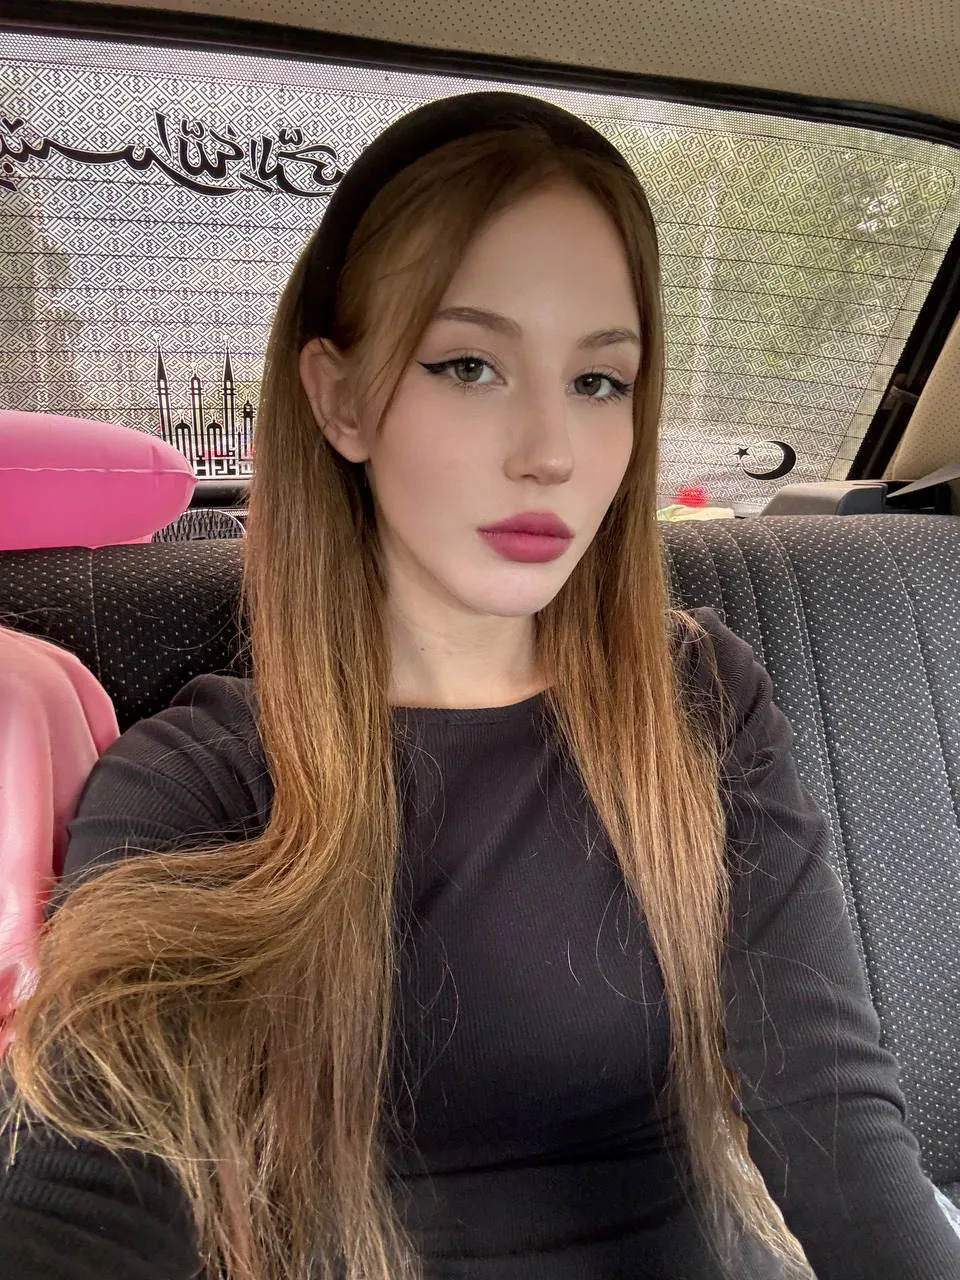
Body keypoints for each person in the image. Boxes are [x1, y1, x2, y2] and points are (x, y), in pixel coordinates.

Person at [1, 92, 958, 1280]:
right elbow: (91, 1181)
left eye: (599, 380)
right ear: (341, 398)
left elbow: (836, 1122)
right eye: (470, 364)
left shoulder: (699, 697)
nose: (550, 451)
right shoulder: (202, 781)